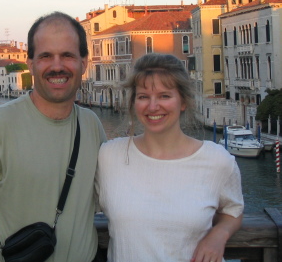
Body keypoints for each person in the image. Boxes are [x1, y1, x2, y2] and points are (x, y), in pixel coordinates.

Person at [0, 11, 107, 262]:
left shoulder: (92, 124)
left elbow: (104, 197)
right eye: (46, 56)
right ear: (31, 63)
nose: (57, 66)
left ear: (83, 62)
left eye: (67, 55)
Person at [95, 53, 244, 262]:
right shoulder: (109, 157)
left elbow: (233, 210)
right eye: (143, 96)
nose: (153, 106)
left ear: (183, 102)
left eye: (164, 96)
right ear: (134, 103)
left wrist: (219, 234)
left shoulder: (217, 161)